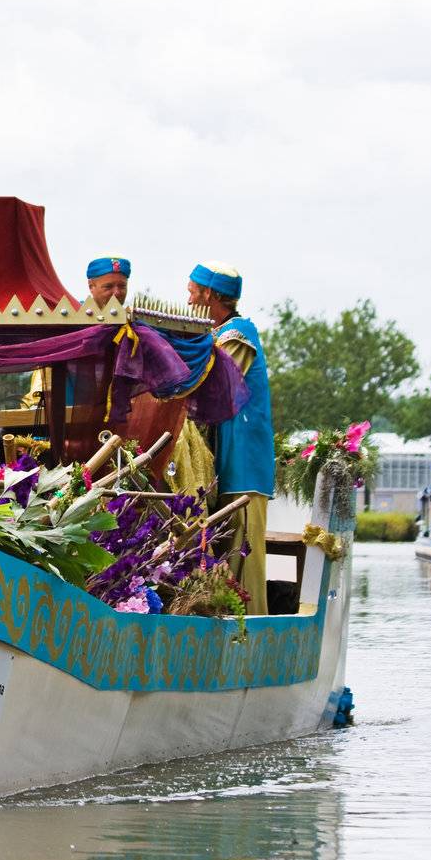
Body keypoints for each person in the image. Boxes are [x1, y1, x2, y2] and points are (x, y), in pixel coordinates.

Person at [188, 261, 274, 616]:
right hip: (229, 460)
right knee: (227, 544)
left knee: (245, 552)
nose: (188, 297)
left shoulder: (238, 336)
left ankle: (252, 628)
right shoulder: (219, 332)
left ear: (210, 295)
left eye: (192, 292)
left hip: (244, 464)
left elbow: (212, 383)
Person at [22, 256, 131, 409]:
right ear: (91, 286)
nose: (117, 292)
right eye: (108, 287)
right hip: (65, 406)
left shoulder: (133, 325)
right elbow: (48, 358)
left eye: (122, 286)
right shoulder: (71, 319)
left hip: (112, 407)